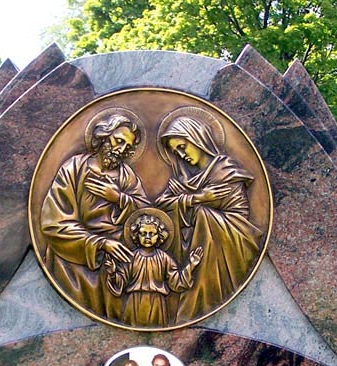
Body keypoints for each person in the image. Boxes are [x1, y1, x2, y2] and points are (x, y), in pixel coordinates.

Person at [39, 112, 151, 320]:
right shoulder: (73, 169)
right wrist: (99, 243)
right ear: (103, 136)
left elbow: (145, 215)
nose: (120, 150)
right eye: (118, 142)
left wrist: (118, 197)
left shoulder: (126, 176)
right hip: (76, 255)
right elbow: (54, 223)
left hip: (118, 254)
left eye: (127, 147)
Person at [157, 113, 263, 324]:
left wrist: (189, 200)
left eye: (183, 146)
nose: (181, 154)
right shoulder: (183, 180)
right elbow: (160, 205)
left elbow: (232, 209)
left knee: (205, 215)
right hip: (197, 246)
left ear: (197, 138)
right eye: (176, 151)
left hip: (232, 238)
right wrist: (195, 198)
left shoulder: (225, 169)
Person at [105, 209, 203, 328]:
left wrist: (191, 265)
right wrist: (112, 272)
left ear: (159, 236)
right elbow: (121, 282)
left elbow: (176, 282)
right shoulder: (130, 258)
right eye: (143, 233)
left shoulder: (164, 258)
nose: (147, 237)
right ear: (136, 235)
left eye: (152, 234)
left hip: (157, 303)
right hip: (134, 302)